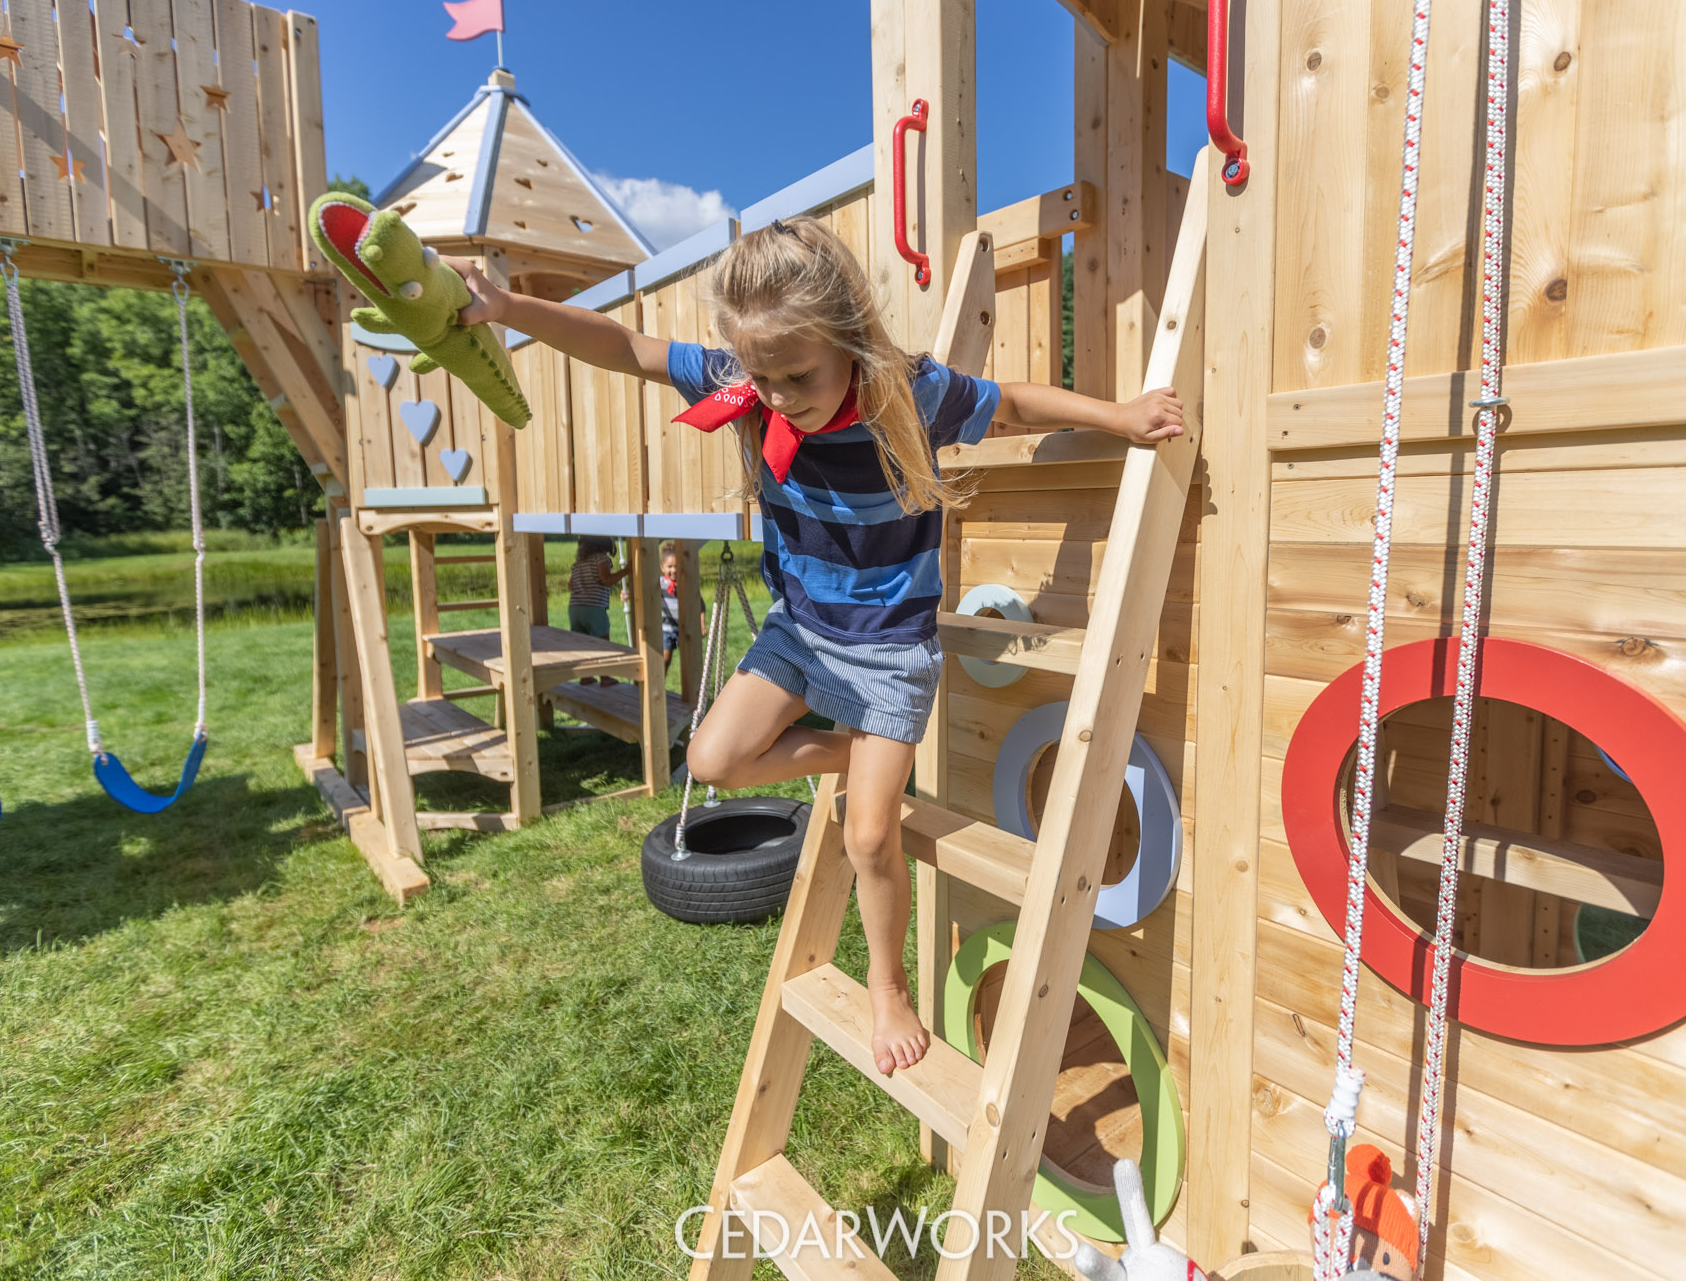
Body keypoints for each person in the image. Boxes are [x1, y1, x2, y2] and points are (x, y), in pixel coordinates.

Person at [448, 216, 1182, 1074]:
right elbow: (625, 347)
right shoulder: (744, 384)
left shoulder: (911, 394)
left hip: (890, 650)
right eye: (762, 377)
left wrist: (1120, 415)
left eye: (798, 375)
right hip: (799, 633)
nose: (779, 395)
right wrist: (507, 307)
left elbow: (1013, 402)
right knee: (712, 761)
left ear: (848, 341)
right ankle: (866, 758)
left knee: (869, 839)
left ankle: (887, 986)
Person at [565, 536, 629, 685]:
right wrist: (626, 571)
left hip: (575, 608)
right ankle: (605, 676)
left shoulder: (578, 563)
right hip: (594, 608)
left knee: (583, 644)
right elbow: (606, 579)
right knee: (603, 643)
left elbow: (570, 586)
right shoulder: (601, 558)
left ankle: (585, 676)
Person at [657, 540, 707, 673]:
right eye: (669, 566)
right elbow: (643, 592)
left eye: (676, 566)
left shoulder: (686, 582)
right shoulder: (659, 584)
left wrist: (702, 623)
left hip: (685, 627)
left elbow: (700, 604)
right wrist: (628, 595)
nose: (673, 570)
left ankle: (694, 685)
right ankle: (661, 682)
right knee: (665, 659)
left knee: (690, 661)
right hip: (667, 628)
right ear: (662, 568)